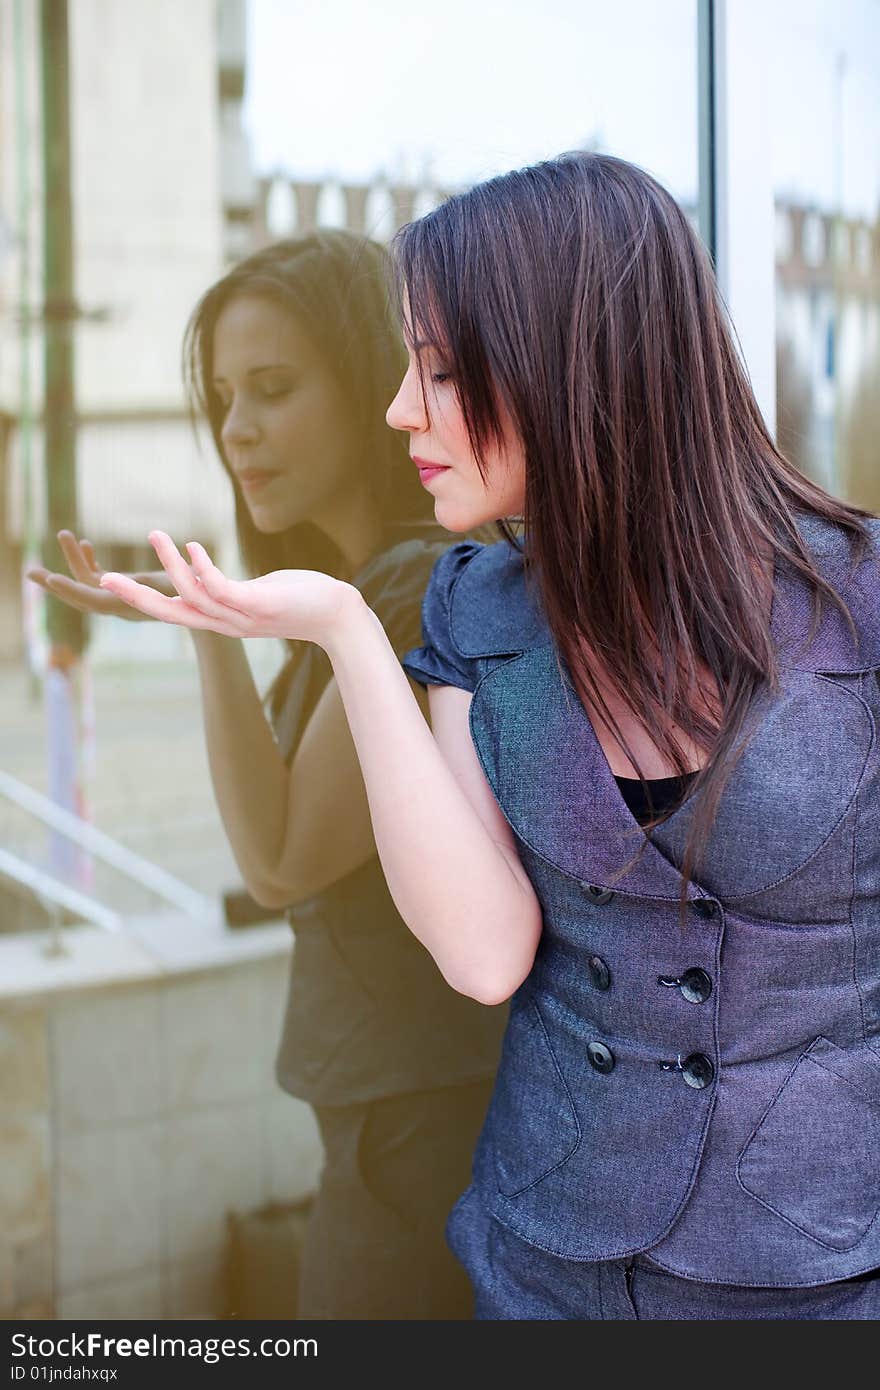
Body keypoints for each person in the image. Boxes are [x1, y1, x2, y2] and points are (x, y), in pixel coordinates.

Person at [79, 153, 880, 1320]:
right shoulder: (471, 609)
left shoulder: (857, 600)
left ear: (570, 362)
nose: (402, 408)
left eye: (442, 370)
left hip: (814, 1278)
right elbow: (485, 953)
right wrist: (348, 632)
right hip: (543, 1264)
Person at [28, 231, 506, 1320]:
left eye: (275, 388)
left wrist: (201, 625)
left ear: (368, 383)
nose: (237, 429)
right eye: (223, 397)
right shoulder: (354, 592)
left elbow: (282, 858)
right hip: (397, 1115)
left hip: (421, 1127)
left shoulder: (405, 590)